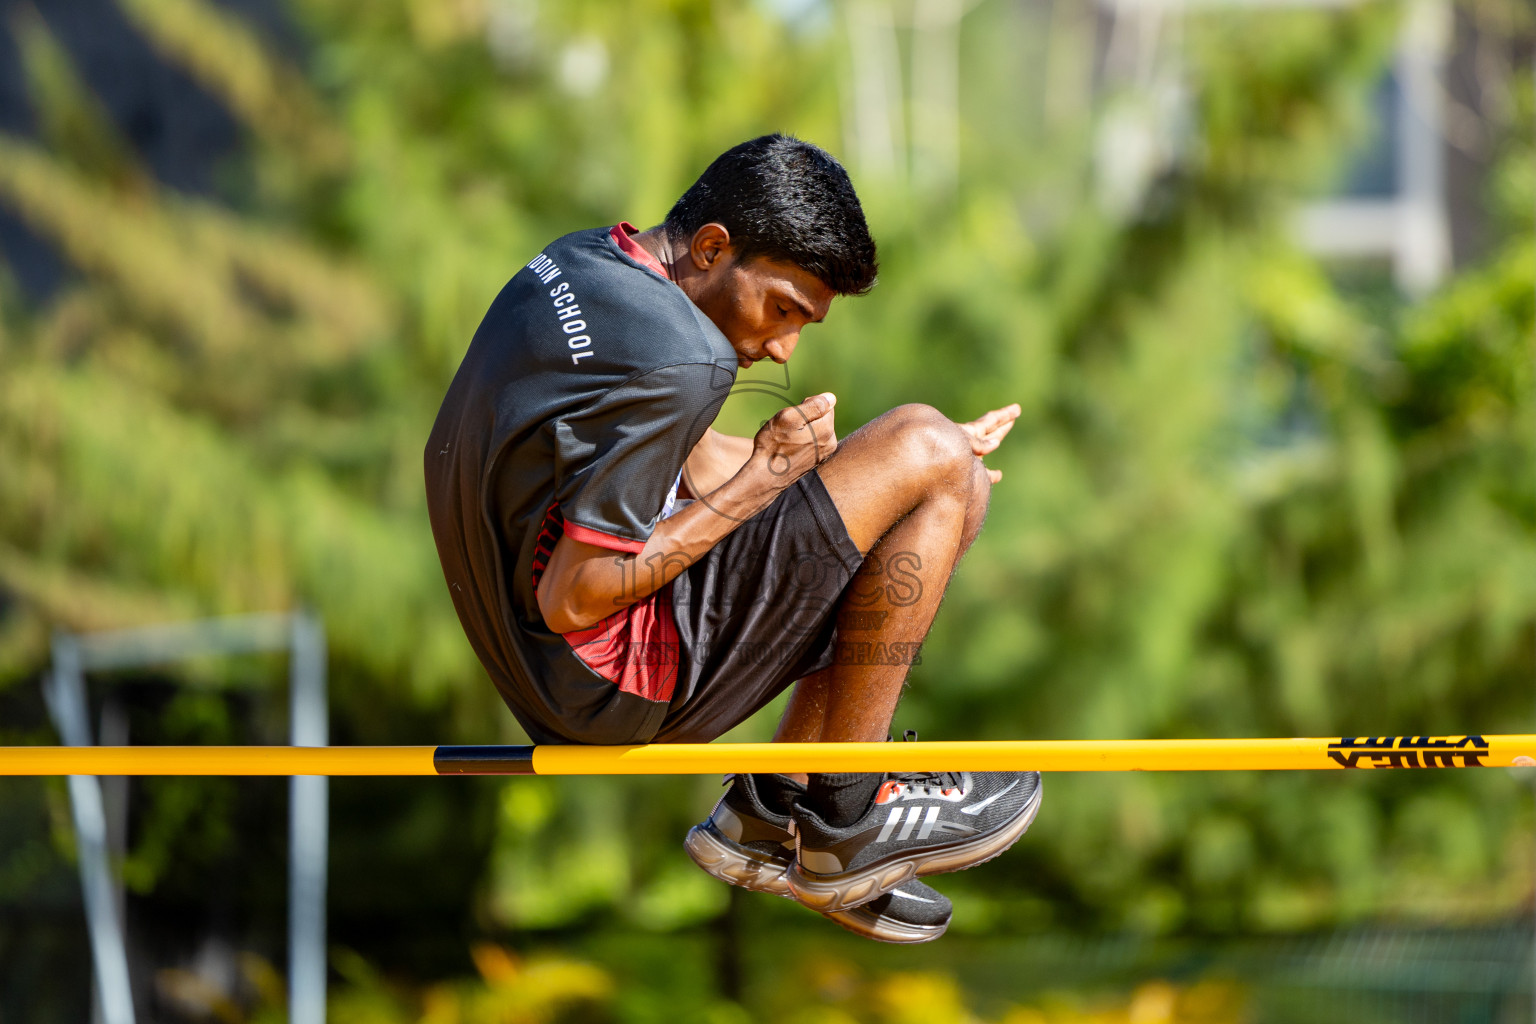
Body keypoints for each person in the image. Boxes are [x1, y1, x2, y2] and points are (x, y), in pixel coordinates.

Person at [425, 134, 1041, 944]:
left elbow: (682, 461)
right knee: (929, 449)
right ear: (713, 247)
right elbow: (574, 595)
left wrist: (892, 478)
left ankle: (771, 810)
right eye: (784, 308)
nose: (784, 347)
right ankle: (846, 815)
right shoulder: (682, 355)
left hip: (538, 665)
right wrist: (798, 478)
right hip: (607, 677)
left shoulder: (581, 268)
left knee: (937, 471)